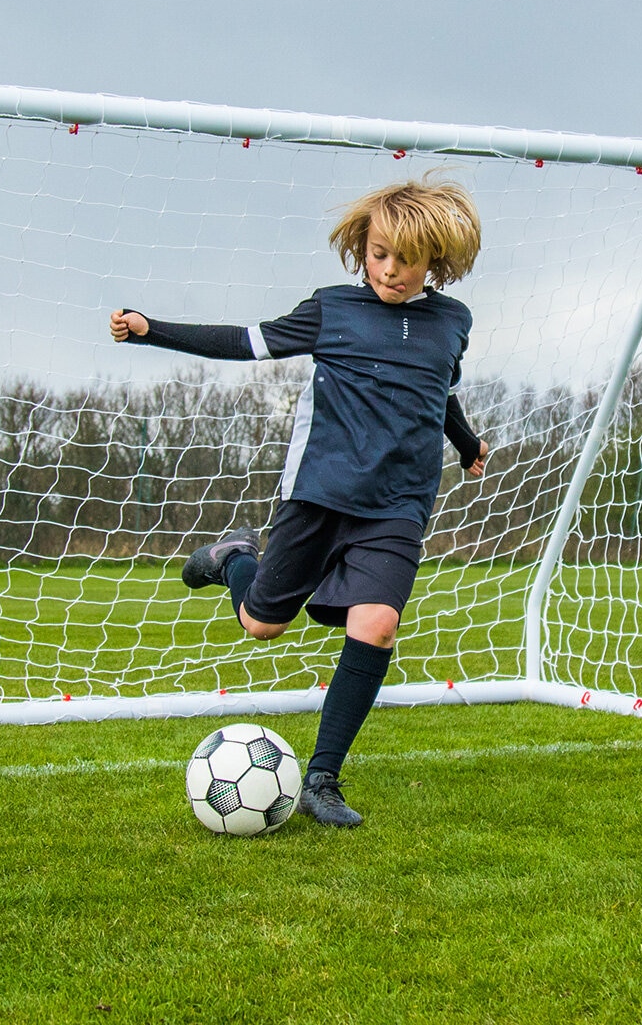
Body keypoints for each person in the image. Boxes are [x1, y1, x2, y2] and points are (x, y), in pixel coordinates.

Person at [110, 176, 488, 828]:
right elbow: (245, 341)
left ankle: (322, 781)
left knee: (377, 624)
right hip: (319, 494)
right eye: (378, 254)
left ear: (437, 261)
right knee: (262, 625)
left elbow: (438, 391)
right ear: (360, 249)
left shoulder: (452, 322)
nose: (390, 270)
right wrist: (151, 331)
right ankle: (234, 555)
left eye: (406, 258)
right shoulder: (332, 310)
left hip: (399, 504)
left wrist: (467, 443)